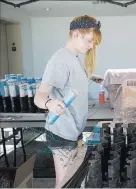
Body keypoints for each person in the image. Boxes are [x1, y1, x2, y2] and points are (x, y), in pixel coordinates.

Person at [34, 15, 103, 188]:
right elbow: (39, 96)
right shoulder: (59, 61)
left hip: (74, 129)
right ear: (76, 34)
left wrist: (93, 78)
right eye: (90, 40)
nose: (92, 45)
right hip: (62, 132)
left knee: (73, 180)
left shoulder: (74, 58)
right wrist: (50, 103)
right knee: (65, 183)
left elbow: (73, 78)